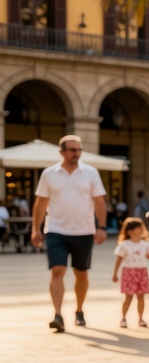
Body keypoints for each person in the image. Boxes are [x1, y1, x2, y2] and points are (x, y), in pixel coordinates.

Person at [31, 135, 108, 332]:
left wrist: (102, 227)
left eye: (79, 150)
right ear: (62, 152)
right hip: (56, 229)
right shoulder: (49, 174)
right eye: (72, 150)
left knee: (80, 273)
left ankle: (79, 310)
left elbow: (99, 201)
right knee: (58, 270)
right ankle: (58, 314)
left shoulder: (90, 173)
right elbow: (40, 203)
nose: (76, 153)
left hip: (84, 231)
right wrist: (35, 229)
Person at [111, 217, 149, 328]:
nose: (142, 229)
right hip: (129, 272)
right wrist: (115, 274)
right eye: (139, 227)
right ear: (130, 231)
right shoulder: (124, 245)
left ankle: (140, 318)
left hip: (142, 272)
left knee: (141, 297)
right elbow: (118, 260)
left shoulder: (145, 244)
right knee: (129, 297)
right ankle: (123, 318)